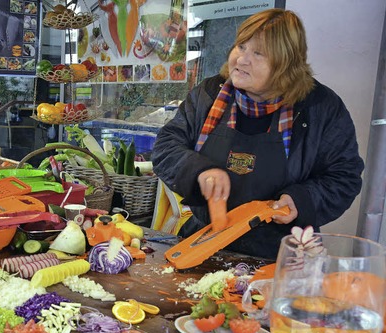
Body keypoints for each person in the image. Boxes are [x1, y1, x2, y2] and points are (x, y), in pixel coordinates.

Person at [152, 9, 364, 259]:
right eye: (241, 46)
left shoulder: (320, 108)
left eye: (258, 53)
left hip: (280, 255)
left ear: (286, 64)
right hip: (203, 244)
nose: (242, 60)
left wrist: (301, 199)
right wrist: (199, 171)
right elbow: (166, 147)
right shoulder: (208, 95)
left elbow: (344, 177)